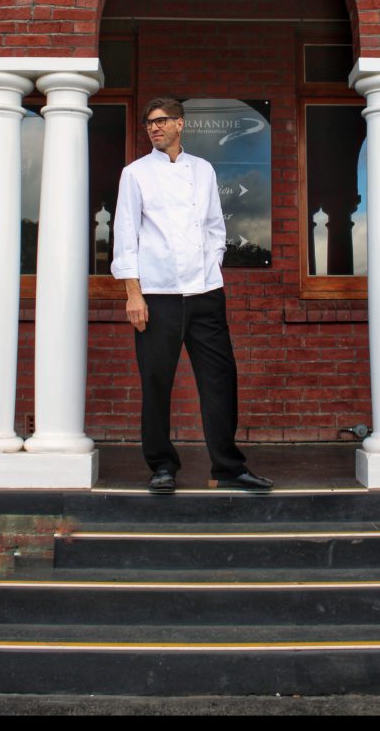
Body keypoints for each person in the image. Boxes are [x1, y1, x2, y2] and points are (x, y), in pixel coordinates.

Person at [111, 96, 273, 494]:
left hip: (205, 293)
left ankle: (229, 467)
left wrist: (212, 265)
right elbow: (125, 237)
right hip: (158, 294)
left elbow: (215, 227)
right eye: (150, 123)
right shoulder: (134, 174)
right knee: (156, 381)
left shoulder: (202, 170)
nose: (155, 128)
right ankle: (162, 466)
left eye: (162, 121)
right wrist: (134, 293)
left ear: (181, 124)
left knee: (220, 378)